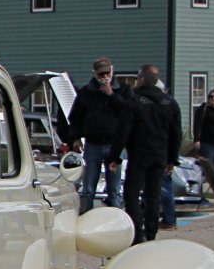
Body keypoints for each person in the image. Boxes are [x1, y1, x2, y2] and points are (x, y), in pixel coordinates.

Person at [123, 65, 182, 244]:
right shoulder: (170, 103)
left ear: (141, 79)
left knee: (132, 193)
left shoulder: (133, 101)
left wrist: (115, 154)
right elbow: (176, 134)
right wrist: (172, 158)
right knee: (153, 193)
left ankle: (136, 231)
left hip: (138, 154)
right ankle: (151, 231)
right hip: (160, 156)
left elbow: (124, 130)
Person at [67, 56, 130, 213]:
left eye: (107, 73)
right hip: (93, 144)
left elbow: (128, 112)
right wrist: (75, 138)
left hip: (115, 145)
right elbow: (75, 117)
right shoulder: (86, 92)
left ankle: (116, 220)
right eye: (101, 74)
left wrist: (111, 94)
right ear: (94, 74)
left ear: (112, 71)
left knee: (114, 188)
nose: (105, 77)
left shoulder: (123, 91)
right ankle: (85, 216)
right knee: (88, 187)